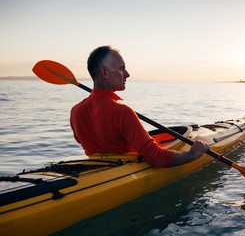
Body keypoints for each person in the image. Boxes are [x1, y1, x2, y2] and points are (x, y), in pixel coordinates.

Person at [70, 46, 209, 167]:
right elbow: (157, 158)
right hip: (124, 170)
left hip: (94, 170)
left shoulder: (76, 111)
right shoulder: (123, 112)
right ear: (105, 73)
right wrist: (192, 155)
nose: (127, 74)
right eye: (121, 68)